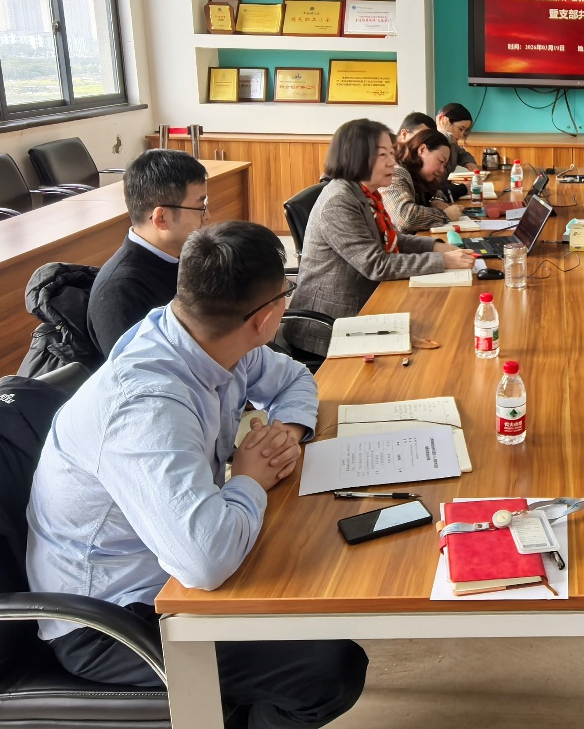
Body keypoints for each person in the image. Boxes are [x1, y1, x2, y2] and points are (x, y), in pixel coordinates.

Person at [27, 221, 368, 727]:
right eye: (286, 294)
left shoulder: (206, 337)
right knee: (328, 668)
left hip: (171, 554)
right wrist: (249, 478)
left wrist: (287, 432)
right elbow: (204, 562)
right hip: (108, 618)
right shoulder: (146, 406)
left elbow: (294, 377)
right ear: (266, 318)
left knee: (309, 564)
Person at [286, 119, 476, 358]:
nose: (392, 162)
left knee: (442, 322)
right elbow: (377, 264)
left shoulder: (363, 193)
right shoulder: (339, 200)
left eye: (391, 154)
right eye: (383, 155)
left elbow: (391, 239)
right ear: (357, 157)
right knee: (440, 345)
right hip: (328, 327)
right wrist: (444, 261)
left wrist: (437, 247)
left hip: (364, 307)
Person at [87, 148, 209, 356]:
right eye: (200, 207)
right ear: (161, 218)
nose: (207, 217)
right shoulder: (119, 292)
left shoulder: (183, 257)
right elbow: (136, 371)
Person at [382, 128, 463, 232]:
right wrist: (445, 215)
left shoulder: (419, 175)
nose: (442, 170)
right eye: (440, 161)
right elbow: (406, 218)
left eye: (444, 165)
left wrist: (436, 200)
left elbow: (436, 191)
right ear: (422, 150)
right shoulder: (396, 173)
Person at [436, 102, 478, 171]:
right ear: (445, 121)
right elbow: (446, 169)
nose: (461, 135)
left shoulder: (452, 143)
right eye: (460, 129)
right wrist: (446, 135)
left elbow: (462, 154)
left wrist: (468, 162)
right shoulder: (430, 141)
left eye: (465, 131)